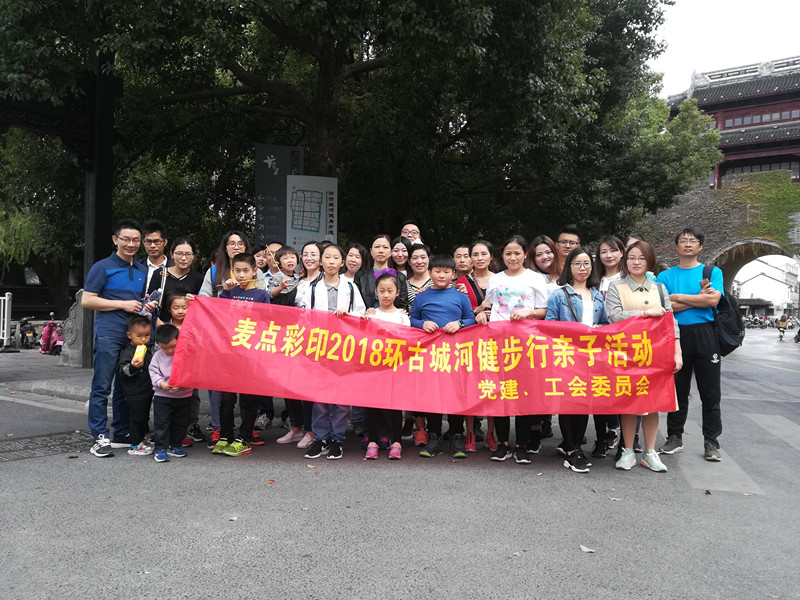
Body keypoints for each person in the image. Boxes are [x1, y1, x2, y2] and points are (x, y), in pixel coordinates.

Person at [605, 241, 683, 472]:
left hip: (656, 353)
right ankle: (628, 451)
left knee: (653, 403)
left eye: (641, 258)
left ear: (649, 261)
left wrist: (677, 351)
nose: (636, 262)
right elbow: (614, 316)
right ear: (625, 261)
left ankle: (650, 452)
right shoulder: (616, 287)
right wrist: (646, 313)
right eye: (631, 258)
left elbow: (671, 322)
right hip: (626, 353)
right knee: (629, 401)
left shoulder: (659, 288)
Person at [82, 218, 155, 458]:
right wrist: (122, 304)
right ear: (115, 240)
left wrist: (146, 304)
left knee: (127, 385)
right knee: (102, 387)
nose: (131, 244)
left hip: (133, 337)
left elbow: (137, 302)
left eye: (136, 240)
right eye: (126, 239)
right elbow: (87, 300)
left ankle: (122, 432)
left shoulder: (142, 270)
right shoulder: (102, 267)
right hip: (109, 334)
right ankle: (99, 436)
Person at [476, 235, 548, 464]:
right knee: (501, 393)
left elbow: (543, 311)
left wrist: (528, 313)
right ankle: (503, 444)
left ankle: (522, 445)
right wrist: (482, 313)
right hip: (497, 342)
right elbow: (489, 306)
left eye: (517, 253)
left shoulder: (536, 278)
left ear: (525, 254)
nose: (513, 257)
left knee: (523, 393)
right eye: (508, 253)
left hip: (526, 344)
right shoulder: (495, 279)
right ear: (502, 255)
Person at [656, 229, 724, 462]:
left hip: (706, 334)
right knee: (678, 390)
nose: (687, 244)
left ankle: (711, 442)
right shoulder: (664, 276)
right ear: (676, 247)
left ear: (700, 246)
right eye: (683, 241)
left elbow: (713, 300)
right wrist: (698, 298)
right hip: (676, 334)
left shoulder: (712, 272)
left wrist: (678, 297)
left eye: (692, 241)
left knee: (710, 392)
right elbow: (665, 307)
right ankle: (675, 437)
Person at [545, 246, 608, 473]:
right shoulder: (559, 295)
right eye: (577, 264)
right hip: (566, 356)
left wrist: (598, 329)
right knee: (567, 403)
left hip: (590, 358)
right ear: (569, 267)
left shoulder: (598, 296)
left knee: (583, 403)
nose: (583, 268)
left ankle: (575, 447)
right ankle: (571, 450)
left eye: (587, 264)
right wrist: (573, 331)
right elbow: (550, 325)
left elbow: (606, 325)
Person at [302, 245, 366, 461]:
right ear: (321, 262)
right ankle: (320, 438)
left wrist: (347, 316)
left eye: (335, 258)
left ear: (342, 263)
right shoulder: (312, 288)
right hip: (319, 348)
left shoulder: (351, 287)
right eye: (327, 257)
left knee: (340, 398)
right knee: (320, 397)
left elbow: (361, 314)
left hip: (343, 349)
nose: (331, 261)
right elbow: (303, 315)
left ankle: (337, 439)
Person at [410, 254, 477, 458]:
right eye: (437, 271)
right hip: (430, 355)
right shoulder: (421, 297)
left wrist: (460, 323)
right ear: (430, 273)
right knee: (432, 394)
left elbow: (471, 319)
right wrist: (422, 324)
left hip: (455, 354)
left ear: (453, 274)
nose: (441, 275)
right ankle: (434, 437)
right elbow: (412, 319)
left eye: (446, 272)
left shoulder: (460, 296)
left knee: (455, 394)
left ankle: (457, 436)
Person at [211, 253, 271, 457]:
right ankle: (225, 436)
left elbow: (268, 321)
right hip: (229, 353)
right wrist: (226, 292)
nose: (242, 275)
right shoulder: (229, 292)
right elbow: (219, 313)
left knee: (248, 399)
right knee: (226, 399)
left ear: (254, 271)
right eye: (237, 271)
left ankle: (244, 438)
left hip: (251, 356)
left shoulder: (261, 295)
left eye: (246, 270)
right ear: (232, 271)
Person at [199, 230, 252, 444]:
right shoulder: (214, 272)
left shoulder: (255, 273)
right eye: (232, 243)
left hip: (247, 336)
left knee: (248, 384)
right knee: (219, 384)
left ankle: (247, 429)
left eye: (240, 243)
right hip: (220, 335)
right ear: (225, 247)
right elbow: (204, 299)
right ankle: (218, 427)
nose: (236, 246)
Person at [363, 272, 409, 460]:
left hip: (395, 368)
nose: (386, 295)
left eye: (390, 291)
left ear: (397, 292)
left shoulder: (402, 316)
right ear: (376, 292)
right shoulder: (371, 315)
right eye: (381, 291)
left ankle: (396, 442)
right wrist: (365, 317)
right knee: (372, 405)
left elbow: (407, 340)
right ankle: (372, 441)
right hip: (374, 368)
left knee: (395, 406)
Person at [588, 235, 626, 457]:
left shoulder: (629, 278)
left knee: (623, 390)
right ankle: (601, 438)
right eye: (603, 252)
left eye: (613, 250)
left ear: (622, 252)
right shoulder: (594, 280)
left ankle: (627, 440)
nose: (608, 255)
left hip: (623, 343)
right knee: (600, 390)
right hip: (598, 345)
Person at [526, 235, 561, 441]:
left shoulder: (566, 275)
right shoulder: (529, 277)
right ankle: (535, 425)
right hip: (534, 337)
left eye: (548, 252)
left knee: (555, 382)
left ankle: (551, 423)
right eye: (539, 254)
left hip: (559, 338)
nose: (544, 257)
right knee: (536, 383)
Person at [148, 324, 193, 463]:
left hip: (184, 396)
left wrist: (183, 383)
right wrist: (161, 383)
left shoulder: (187, 354)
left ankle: (175, 445)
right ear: (158, 345)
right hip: (163, 396)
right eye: (164, 348)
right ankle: (160, 448)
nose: (169, 351)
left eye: (173, 346)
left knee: (181, 423)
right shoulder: (158, 356)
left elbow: (193, 372)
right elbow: (153, 371)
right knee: (162, 423)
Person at [116, 315, 155, 456]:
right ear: (129, 335)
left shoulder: (147, 349)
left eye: (147, 335)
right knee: (136, 419)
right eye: (139, 336)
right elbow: (123, 371)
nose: (143, 339)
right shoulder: (128, 352)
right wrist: (133, 366)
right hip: (134, 393)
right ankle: (134, 445)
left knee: (144, 417)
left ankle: (141, 440)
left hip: (146, 390)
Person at [148, 237, 204, 323]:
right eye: (179, 253)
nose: (183, 258)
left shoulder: (198, 278)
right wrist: (160, 325)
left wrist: (195, 301)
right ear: (172, 255)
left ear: (193, 256)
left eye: (188, 254)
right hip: (161, 326)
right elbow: (149, 302)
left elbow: (201, 307)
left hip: (187, 326)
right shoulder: (160, 274)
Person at [355, 234, 411, 313]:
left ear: (391, 252)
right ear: (371, 251)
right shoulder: (360, 276)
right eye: (377, 247)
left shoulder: (400, 277)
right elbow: (356, 304)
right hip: (368, 317)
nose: (381, 250)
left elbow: (403, 305)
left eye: (385, 247)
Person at [138, 219, 170, 291]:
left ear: (165, 242)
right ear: (143, 242)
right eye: (148, 241)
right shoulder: (136, 267)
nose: (152, 246)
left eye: (157, 241)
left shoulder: (173, 267)